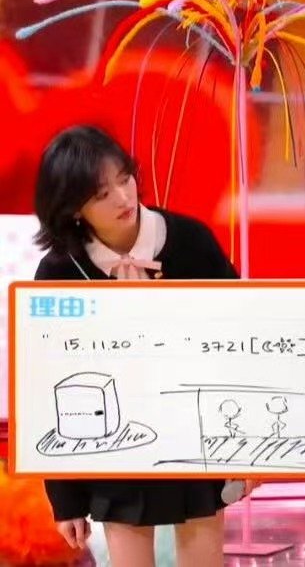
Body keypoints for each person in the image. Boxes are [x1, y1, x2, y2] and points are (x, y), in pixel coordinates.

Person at [32, 125, 243, 565]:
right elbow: (51, 388)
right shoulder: (59, 272)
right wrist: (65, 500)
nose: (123, 198)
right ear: (73, 209)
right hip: (114, 448)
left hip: (196, 439)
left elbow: (240, 343)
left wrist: (247, 456)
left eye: (125, 179)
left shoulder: (191, 240)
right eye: (101, 194)